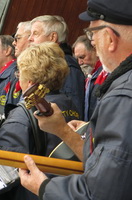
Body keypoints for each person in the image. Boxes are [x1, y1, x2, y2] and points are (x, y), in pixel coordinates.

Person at [19, 0, 132, 199]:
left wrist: (44, 187)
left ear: (110, 38)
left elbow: (101, 193)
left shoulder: (123, 97)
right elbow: (105, 169)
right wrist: (67, 131)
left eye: (92, 34)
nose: (93, 42)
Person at [0, 42, 79, 200]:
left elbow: (3, 176)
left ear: (30, 82)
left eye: (19, 75)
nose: (18, 79)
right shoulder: (71, 105)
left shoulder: (20, 117)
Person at [29, 15, 85, 119]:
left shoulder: (68, 68)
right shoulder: (47, 64)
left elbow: (72, 113)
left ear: (53, 37)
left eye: (35, 34)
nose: (29, 39)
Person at [72, 35, 108, 121]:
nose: (80, 62)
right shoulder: (89, 77)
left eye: (82, 57)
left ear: (95, 51)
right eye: (77, 59)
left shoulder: (105, 74)